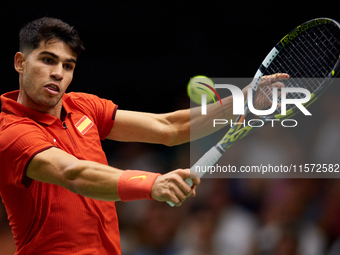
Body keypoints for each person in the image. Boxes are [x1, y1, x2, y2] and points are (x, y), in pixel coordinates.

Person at [0, 17, 287, 254]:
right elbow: (73, 173)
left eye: (68, 65)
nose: (58, 73)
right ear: (20, 62)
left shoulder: (82, 107)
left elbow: (169, 127)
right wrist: (153, 183)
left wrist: (243, 100)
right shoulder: (11, 133)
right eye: (48, 60)